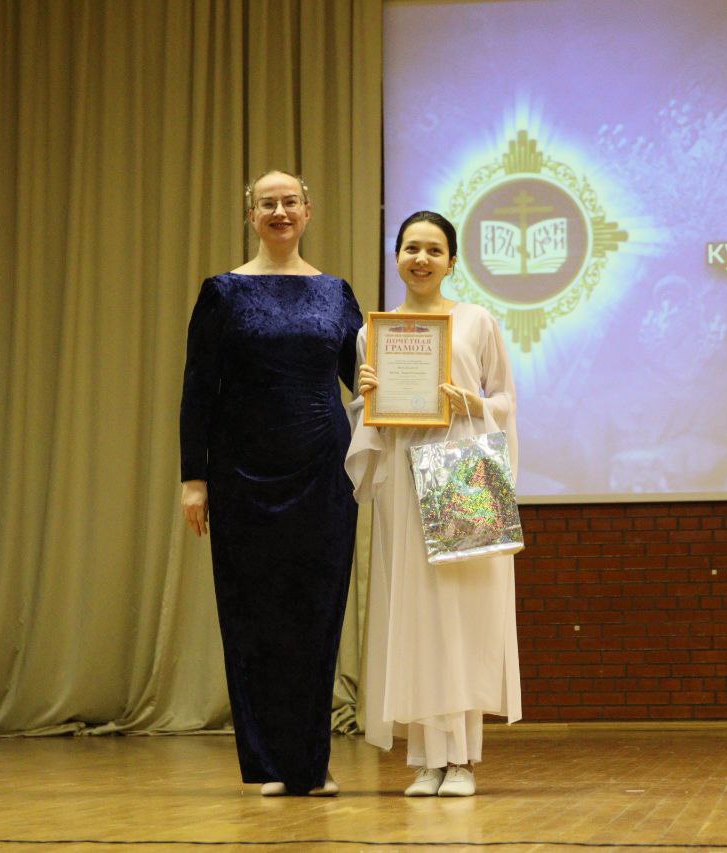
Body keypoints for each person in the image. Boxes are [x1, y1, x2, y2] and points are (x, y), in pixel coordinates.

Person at [179, 170, 361, 796]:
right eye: (267, 203)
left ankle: (309, 762)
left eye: (289, 202)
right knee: (252, 615)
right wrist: (194, 479)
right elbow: (198, 389)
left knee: (316, 613)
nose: (279, 211)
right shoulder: (222, 293)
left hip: (324, 473)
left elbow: (365, 376)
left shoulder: (336, 293)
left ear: (308, 211)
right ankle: (269, 760)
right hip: (243, 475)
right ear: (251, 215)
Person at [347, 211, 521, 797]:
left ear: (452, 261)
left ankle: (462, 759)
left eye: (434, 250)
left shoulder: (476, 321)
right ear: (397, 256)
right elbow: (371, 420)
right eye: (411, 248)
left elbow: (505, 399)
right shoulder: (375, 332)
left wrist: (475, 404)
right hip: (403, 478)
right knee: (415, 615)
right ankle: (426, 759)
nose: (421, 259)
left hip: (461, 472)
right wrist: (368, 399)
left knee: (460, 617)